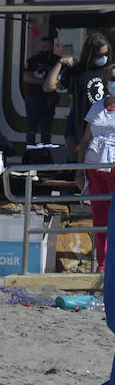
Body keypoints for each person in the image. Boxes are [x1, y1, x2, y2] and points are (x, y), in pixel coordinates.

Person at [48, 33, 111, 160]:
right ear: (90, 53)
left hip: (103, 126)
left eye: (106, 54)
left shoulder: (110, 69)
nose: (104, 57)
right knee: (80, 164)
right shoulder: (77, 70)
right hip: (79, 125)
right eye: (100, 55)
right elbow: (49, 86)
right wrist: (60, 62)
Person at [77, 63, 115, 271]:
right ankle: (102, 264)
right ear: (106, 82)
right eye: (113, 79)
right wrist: (79, 172)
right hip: (95, 167)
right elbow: (84, 140)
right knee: (100, 217)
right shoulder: (97, 106)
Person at [22, 35, 59, 146]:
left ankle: (45, 156)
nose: (43, 49)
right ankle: (29, 156)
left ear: (51, 47)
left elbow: (61, 79)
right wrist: (43, 82)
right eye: (41, 46)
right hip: (33, 97)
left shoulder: (57, 61)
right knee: (31, 129)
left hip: (49, 99)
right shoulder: (33, 60)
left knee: (46, 131)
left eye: (46, 47)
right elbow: (26, 77)